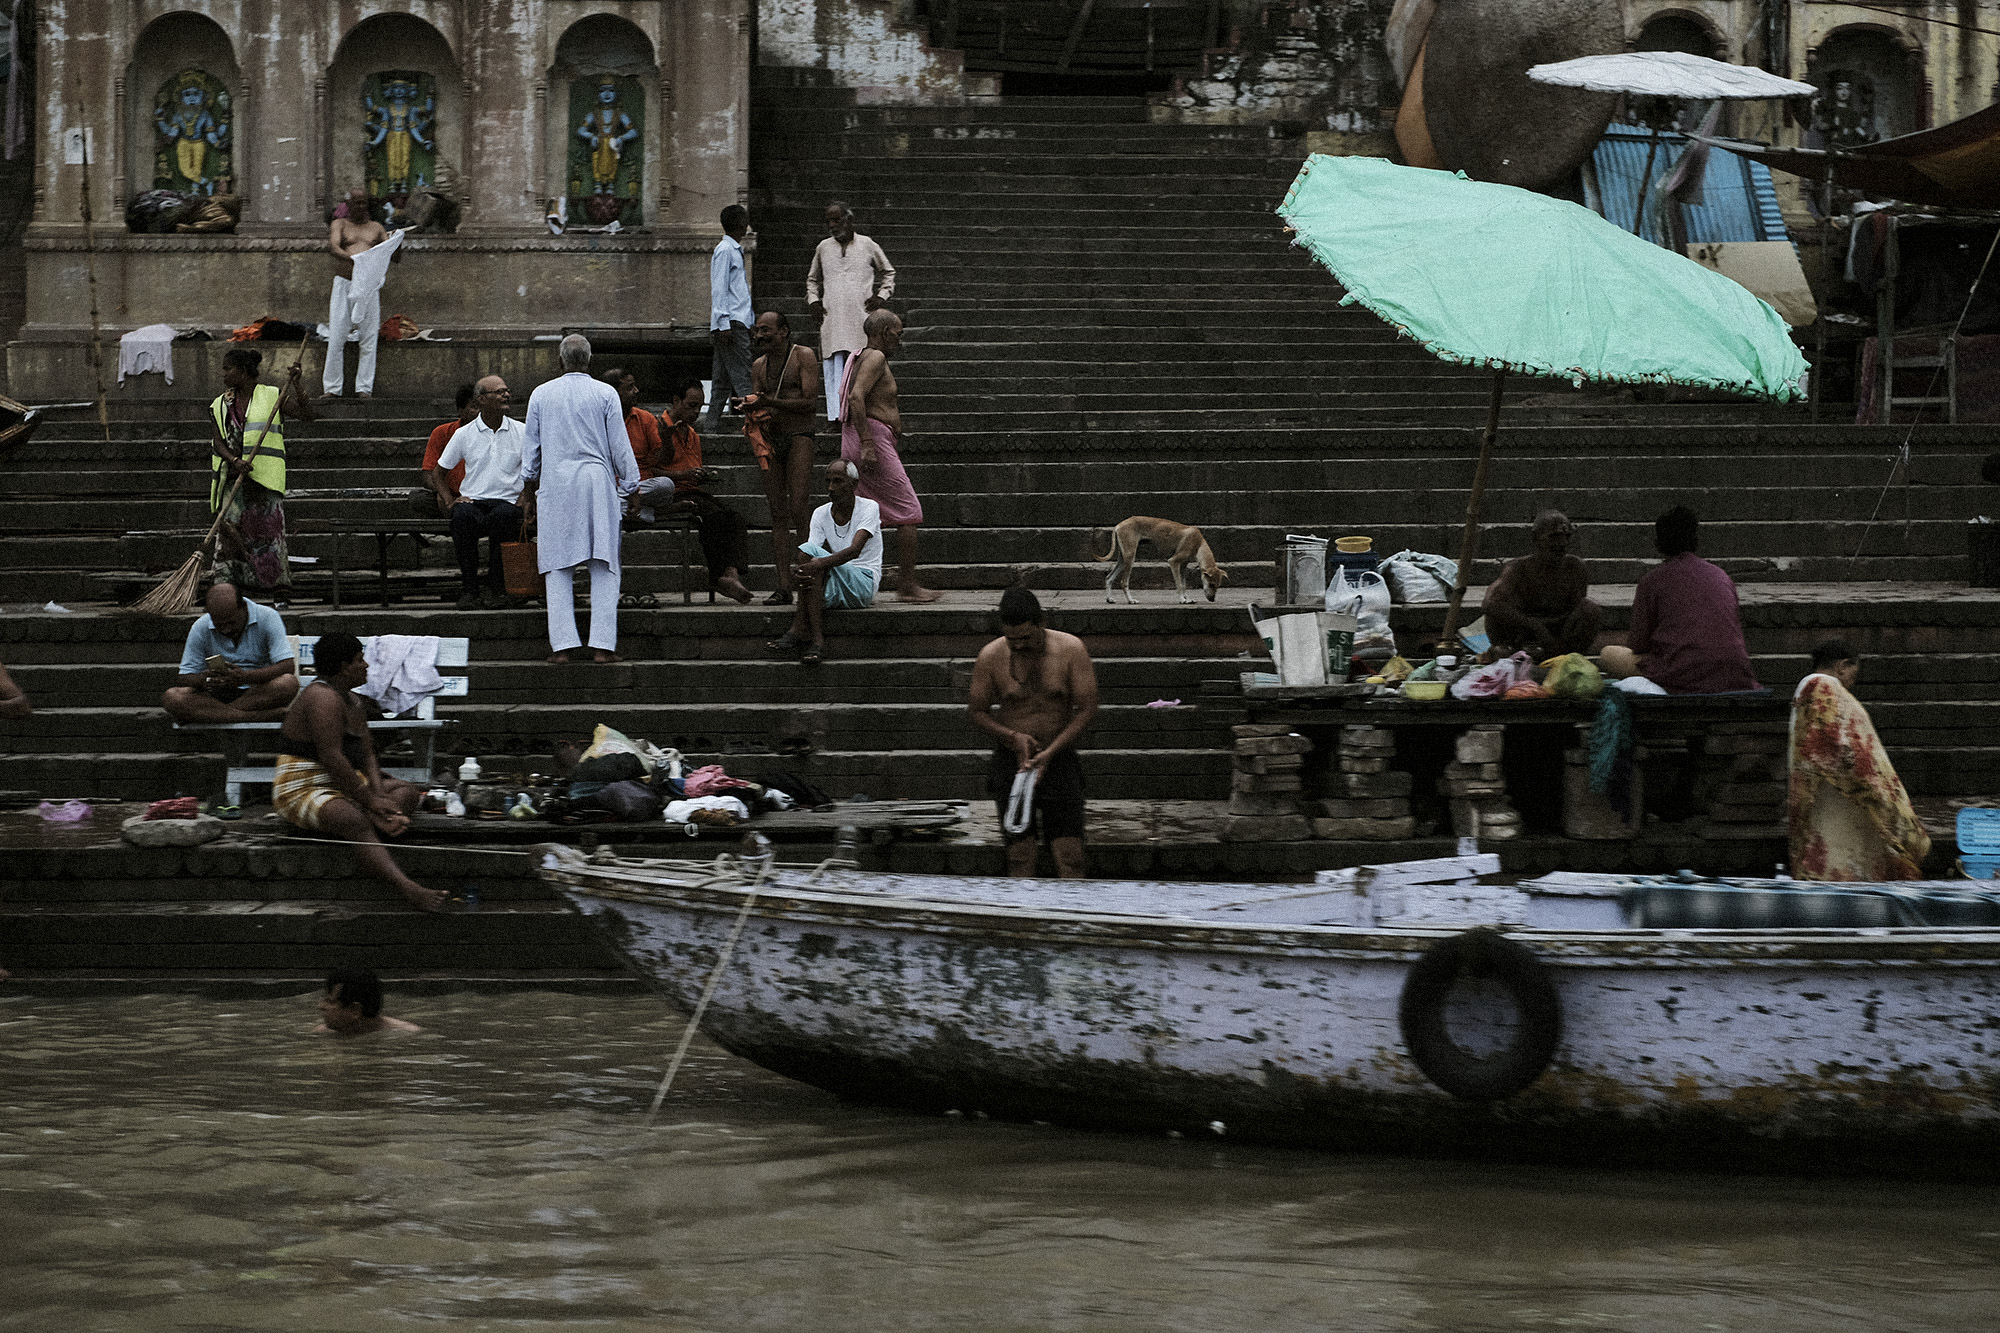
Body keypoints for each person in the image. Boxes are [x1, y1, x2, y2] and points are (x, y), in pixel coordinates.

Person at [274, 631, 446, 912]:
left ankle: (372, 822)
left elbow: (367, 754)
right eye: (359, 660)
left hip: (343, 783)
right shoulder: (322, 698)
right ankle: (410, 888)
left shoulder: (353, 701)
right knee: (353, 819)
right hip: (302, 786)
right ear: (343, 667)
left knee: (407, 793)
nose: (366, 665)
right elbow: (332, 757)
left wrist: (380, 799)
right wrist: (369, 802)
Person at [967, 586, 1099, 879]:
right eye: (1012, 640)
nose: (1019, 646)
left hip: (1059, 756)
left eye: (1026, 638)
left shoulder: (1070, 649)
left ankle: (1072, 919)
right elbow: (976, 711)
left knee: (1071, 855)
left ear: (1042, 622)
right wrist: (1013, 739)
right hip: (1013, 760)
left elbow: (1088, 709)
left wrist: (1051, 753)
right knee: (1019, 856)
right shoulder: (991, 656)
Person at [521, 334, 638, 663]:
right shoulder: (605, 393)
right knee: (604, 563)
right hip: (596, 482)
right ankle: (602, 646)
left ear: (561, 361)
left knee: (557, 566)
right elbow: (620, 446)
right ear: (589, 361)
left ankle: (563, 648)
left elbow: (531, 451)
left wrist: (528, 491)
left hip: (556, 483)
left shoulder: (541, 394)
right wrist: (632, 486)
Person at [1789, 640, 1931, 882]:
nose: (1854, 679)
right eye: (1854, 671)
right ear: (1843, 665)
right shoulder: (1823, 685)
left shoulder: (1810, 689)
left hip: (1827, 791)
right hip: (1836, 793)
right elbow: (1835, 741)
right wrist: (1876, 786)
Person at [1606, 506, 1760, 694]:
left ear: (1658, 544)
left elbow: (1637, 645)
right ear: (1695, 541)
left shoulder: (1652, 581)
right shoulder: (1721, 575)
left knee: (1608, 655)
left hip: (1680, 674)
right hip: (1735, 673)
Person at [843, 310, 939, 602]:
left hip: (862, 437)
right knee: (909, 511)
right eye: (898, 333)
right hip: (870, 439)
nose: (900, 340)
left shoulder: (860, 356)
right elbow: (856, 397)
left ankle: (851, 580)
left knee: (860, 512)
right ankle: (907, 586)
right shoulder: (875, 357)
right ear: (884, 332)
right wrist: (869, 443)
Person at [639, 377, 755, 604]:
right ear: (676, 401)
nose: (695, 412)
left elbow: (693, 467)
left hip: (692, 490)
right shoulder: (656, 427)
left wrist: (701, 475)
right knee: (711, 516)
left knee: (735, 517)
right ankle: (719, 576)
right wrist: (683, 475)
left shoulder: (692, 433)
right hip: (668, 492)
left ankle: (730, 574)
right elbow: (649, 470)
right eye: (691, 405)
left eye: (699, 407)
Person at [210, 345, 312, 601]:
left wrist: (297, 384)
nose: (223, 374)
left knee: (270, 536)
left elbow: (308, 416)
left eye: (227, 368)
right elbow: (217, 442)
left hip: (264, 480)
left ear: (243, 371)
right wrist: (234, 460)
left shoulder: (272, 395)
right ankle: (229, 593)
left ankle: (278, 592)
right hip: (233, 480)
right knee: (230, 539)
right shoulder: (220, 403)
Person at [741, 310, 823, 604]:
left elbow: (810, 403)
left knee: (799, 507)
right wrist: (749, 407)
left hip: (799, 436)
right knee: (777, 513)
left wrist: (770, 401)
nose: (760, 336)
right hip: (770, 440)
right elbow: (760, 404)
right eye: (757, 331)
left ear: (784, 331)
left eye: (766, 330)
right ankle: (784, 586)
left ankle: (806, 579)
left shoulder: (804, 356)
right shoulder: (758, 365)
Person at [768, 460, 881, 665]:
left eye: (838, 481)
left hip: (863, 582)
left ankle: (808, 634)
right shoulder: (820, 512)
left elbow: (855, 551)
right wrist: (804, 569)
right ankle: (810, 637)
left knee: (814, 561)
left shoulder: (869, 507)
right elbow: (809, 554)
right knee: (808, 557)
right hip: (837, 579)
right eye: (828, 481)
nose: (831, 488)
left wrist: (817, 564)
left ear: (854, 484)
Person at [435, 374, 528, 610]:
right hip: (474, 501)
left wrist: (526, 497)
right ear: (481, 400)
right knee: (462, 516)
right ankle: (470, 590)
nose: (505, 395)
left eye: (506, 390)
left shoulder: (522, 431)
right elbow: (438, 472)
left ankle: (498, 590)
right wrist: (449, 500)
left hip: (508, 502)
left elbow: (535, 470)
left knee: (504, 517)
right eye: (498, 392)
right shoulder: (464, 433)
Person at [806, 201, 895, 423]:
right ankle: (836, 418)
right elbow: (812, 279)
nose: (833, 225)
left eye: (837, 219)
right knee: (834, 368)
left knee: (860, 367)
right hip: (832, 318)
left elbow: (889, 272)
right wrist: (814, 301)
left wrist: (881, 297)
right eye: (829, 221)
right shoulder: (823, 247)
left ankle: (858, 416)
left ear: (849, 219)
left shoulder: (867, 244)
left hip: (861, 318)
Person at [162, 582, 299, 724]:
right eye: (219, 625)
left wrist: (245, 677)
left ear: (243, 608)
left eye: (232, 623)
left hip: (256, 691)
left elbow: (287, 666)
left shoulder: (268, 616)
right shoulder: (200, 626)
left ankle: (214, 715)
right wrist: (205, 679)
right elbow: (185, 677)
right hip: (215, 694)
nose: (226, 630)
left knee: (287, 683)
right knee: (172, 697)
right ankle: (256, 717)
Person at [1481, 510, 1602, 657]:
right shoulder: (1517, 569)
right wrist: (1534, 625)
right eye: (1554, 537)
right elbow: (1490, 604)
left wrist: (1552, 637)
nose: (1562, 543)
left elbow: (1578, 609)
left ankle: (1565, 656)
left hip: (1558, 633)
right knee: (1496, 615)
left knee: (1591, 610)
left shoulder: (1575, 567)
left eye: (1567, 536)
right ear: (1536, 538)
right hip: (1522, 633)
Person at [323, 191, 396, 398]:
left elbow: (391, 256)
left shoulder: (377, 228)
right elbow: (334, 247)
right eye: (356, 203)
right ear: (348, 204)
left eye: (363, 203)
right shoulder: (340, 225)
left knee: (368, 337)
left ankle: (364, 388)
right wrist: (356, 261)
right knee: (337, 336)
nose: (360, 207)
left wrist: (397, 241)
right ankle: (332, 388)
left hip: (369, 287)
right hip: (344, 283)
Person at [703, 203, 755, 434]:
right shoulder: (725, 250)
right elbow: (719, 289)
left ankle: (711, 425)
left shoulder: (734, 251)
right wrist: (723, 322)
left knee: (722, 379)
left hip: (737, 321)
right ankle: (755, 425)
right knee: (743, 375)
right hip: (731, 323)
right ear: (740, 224)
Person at [416, 382, 477, 516]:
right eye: (474, 407)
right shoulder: (442, 433)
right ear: (460, 411)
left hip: (482, 497)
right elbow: (428, 473)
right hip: (450, 495)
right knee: (418, 498)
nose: (479, 412)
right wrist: (444, 494)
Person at [315, 965, 422, 1035]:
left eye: (330, 1001)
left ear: (355, 1010)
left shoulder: (407, 1033)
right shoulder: (322, 1032)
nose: (320, 1006)